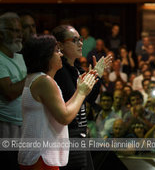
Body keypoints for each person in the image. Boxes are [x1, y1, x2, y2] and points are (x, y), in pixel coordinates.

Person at [18, 35, 98, 169]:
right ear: (45, 56)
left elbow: (61, 110)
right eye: (56, 51)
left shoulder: (36, 78)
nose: (61, 54)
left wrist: (79, 90)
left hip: (37, 155)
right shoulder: (44, 81)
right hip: (41, 157)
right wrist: (82, 93)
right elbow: (64, 117)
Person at [53, 25, 111, 170]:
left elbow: (88, 99)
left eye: (81, 39)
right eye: (75, 40)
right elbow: (70, 101)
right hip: (68, 135)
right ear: (60, 45)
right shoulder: (59, 72)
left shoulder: (78, 69)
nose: (80, 43)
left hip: (80, 134)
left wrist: (97, 77)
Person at [0, 13, 27, 170]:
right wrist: (32, 76)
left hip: (23, 125)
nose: (19, 35)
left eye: (20, 30)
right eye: (14, 30)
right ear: (1, 33)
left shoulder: (20, 58)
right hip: (5, 127)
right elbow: (9, 92)